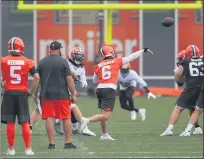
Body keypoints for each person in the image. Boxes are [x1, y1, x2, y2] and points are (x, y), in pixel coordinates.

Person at [79, 45, 153, 140]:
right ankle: (86, 120)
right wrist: (143, 50)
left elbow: (94, 81)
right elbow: (132, 56)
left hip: (99, 89)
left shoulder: (98, 65)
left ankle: (104, 134)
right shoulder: (117, 61)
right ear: (112, 52)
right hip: (109, 89)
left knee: (102, 113)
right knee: (105, 116)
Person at [1, 37, 39, 155]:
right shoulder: (28, 61)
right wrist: (32, 91)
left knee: (10, 122)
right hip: (22, 93)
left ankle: (11, 149)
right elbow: (37, 77)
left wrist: (2, 83)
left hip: (8, 94)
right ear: (21, 47)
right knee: (24, 123)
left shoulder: (3, 60)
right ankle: (28, 149)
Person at [37, 41, 77, 149]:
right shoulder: (63, 62)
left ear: (50, 50)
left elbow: (37, 79)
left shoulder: (42, 62)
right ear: (59, 50)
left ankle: (51, 143)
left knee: (49, 118)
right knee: (66, 118)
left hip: (46, 95)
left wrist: (35, 93)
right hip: (62, 95)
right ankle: (67, 143)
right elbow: (69, 79)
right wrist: (73, 93)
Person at [160, 45, 203, 136]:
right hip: (201, 87)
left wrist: (179, 82)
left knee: (178, 108)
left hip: (192, 87)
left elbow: (177, 74)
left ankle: (169, 129)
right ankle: (196, 128)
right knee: (195, 108)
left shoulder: (186, 62)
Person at [54, 46, 96, 136]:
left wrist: (84, 82)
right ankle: (79, 124)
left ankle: (74, 127)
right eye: (78, 56)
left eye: (81, 56)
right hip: (61, 87)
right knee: (72, 106)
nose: (79, 58)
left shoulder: (81, 68)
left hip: (70, 89)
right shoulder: (66, 63)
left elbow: (83, 80)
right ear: (73, 56)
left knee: (72, 106)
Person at [176, 50, 202, 135]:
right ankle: (196, 128)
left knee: (181, 107)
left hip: (197, 89)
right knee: (194, 108)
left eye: (180, 58)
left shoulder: (186, 64)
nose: (179, 60)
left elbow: (179, 81)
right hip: (197, 88)